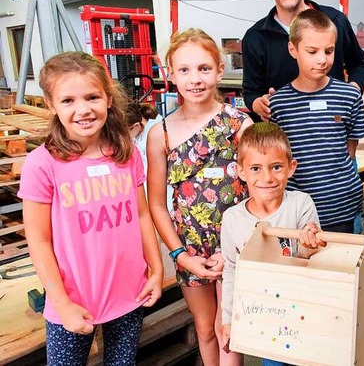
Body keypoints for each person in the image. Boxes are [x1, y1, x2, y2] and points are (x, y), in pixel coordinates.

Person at [18, 52, 163, 365]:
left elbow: (141, 214)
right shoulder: (42, 164)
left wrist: (156, 268)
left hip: (129, 295)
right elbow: (39, 240)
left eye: (92, 97)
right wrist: (61, 303)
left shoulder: (126, 153)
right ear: (50, 103)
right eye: (68, 100)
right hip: (71, 301)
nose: (83, 110)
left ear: (108, 99)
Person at [146, 28, 252, 366]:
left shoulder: (239, 125)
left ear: (220, 71)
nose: (195, 79)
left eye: (204, 69)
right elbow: (156, 204)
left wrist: (233, 249)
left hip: (235, 245)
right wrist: (179, 254)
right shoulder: (159, 133)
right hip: (190, 249)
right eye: (185, 70)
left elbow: (258, 194)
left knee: (228, 331)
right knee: (205, 328)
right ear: (171, 74)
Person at [220, 122, 325, 366]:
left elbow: (311, 258)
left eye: (276, 167)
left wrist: (310, 244)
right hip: (268, 315)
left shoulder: (301, 204)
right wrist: (228, 319)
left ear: (291, 168)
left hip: (304, 308)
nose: (267, 177)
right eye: (255, 168)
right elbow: (232, 270)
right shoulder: (233, 219)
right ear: (241, 171)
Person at [242, 0, 364, 123]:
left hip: (333, 133)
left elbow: (359, 65)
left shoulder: (335, 21)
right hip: (284, 141)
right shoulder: (256, 38)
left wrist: (351, 93)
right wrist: (258, 104)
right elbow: (251, 92)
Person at [269, 9, 364, 233]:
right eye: (312, 51)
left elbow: (350, 149)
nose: (322, 60)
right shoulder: (278, 104)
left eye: (329, 51)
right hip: (297, 211)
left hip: (342, 208)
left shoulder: (349, 96)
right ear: (293, 49)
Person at [125, 101, 163, 174]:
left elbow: (149, 170)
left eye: (125, 133)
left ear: (136, 126)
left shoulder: (154, 136)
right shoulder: (138, 134)